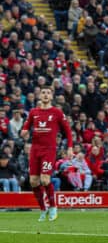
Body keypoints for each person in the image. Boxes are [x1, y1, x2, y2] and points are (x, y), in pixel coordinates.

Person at [21, 86, 73, 221]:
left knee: (45, 180)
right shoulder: (33, 112)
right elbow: (26, 127)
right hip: (35, 150)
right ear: (39, 95)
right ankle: (43, 209)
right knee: (33, 182)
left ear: (51, 96)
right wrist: (24, 132)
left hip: (49, 150)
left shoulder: (57, 112)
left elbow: (67, 131)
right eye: (43, 92)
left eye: (48, 93)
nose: (45, 95)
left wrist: (70, 147)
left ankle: (53, 207)